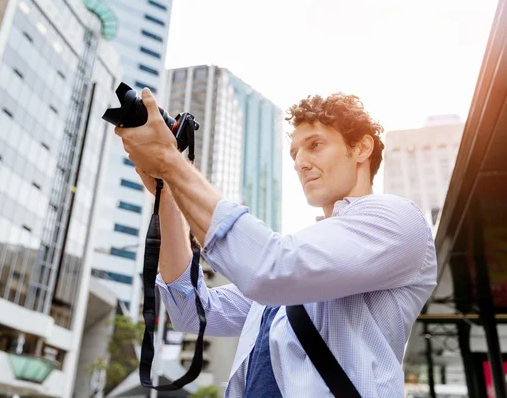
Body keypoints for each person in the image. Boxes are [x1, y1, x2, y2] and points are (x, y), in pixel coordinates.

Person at [115, 88, 437, 397]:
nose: (299, 162)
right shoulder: (298, 257)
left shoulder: (397, 219)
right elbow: (193, 312)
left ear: (362, 148)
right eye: (296, 153)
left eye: (315, 145)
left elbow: (269, 267)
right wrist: (168, 190)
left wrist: (172, 162)